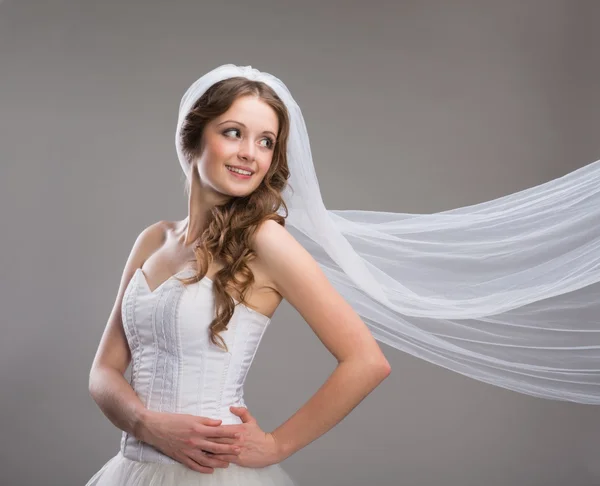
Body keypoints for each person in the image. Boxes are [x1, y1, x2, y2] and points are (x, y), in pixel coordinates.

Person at [85, 65, 392, 485]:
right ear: (191, 137)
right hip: (132, 470)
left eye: (266, 142)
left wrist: (278, 445)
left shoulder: (265, 241)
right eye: (233, 132)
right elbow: (103, 372)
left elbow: (367, 361)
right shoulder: (152, 239)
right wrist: (144, 423)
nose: (251, 152)